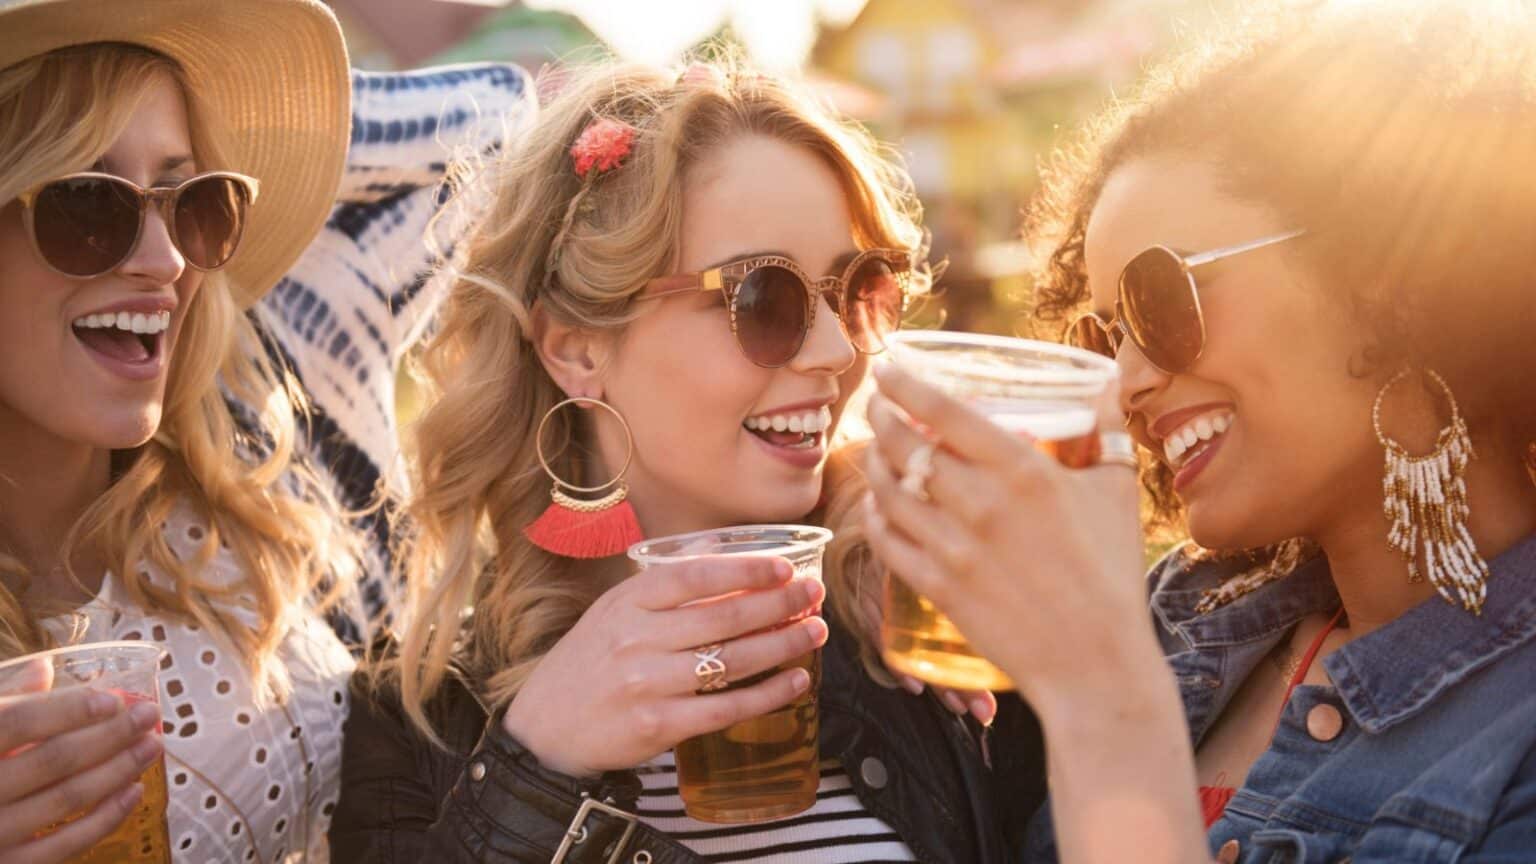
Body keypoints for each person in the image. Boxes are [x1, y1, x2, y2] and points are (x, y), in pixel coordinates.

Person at [861, 1, 1536, 861]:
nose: (1127, 381)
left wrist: (1106, 703)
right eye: (1104, 336)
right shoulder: (1175, 621)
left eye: (1161, 297)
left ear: (1387, 272)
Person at [332, 58, 1047, 863]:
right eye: (764, 299)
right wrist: (534, 769)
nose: (837, 347)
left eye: (857, 288)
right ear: (576, 349)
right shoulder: (421, 723)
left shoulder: (922, 630)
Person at [0, 1, 534, 861]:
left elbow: (499, 123)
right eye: (88, 206)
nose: (166, 258)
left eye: (191, 202)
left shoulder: (263, 429)